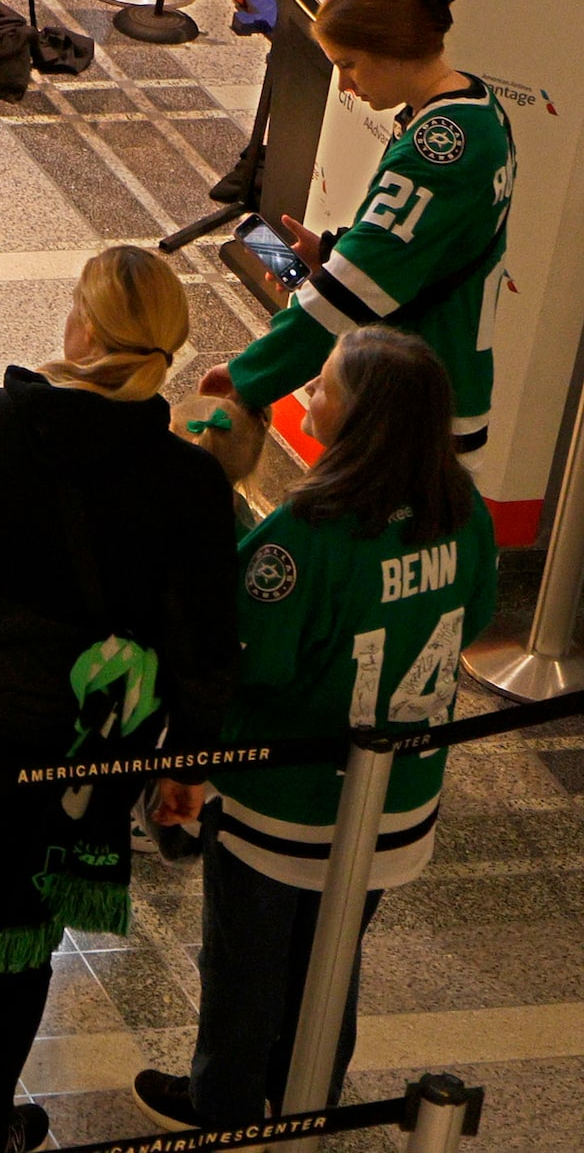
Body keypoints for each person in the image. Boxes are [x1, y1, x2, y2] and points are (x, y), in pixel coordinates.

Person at [0, 246, 243, 1153]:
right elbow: (202, 647)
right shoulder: (190, 481)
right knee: (24, 918)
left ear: (89, 332)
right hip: (84, 740)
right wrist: (186, 762)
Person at [134, 327, 498, 1130]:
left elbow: (251, 663)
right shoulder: (463, 511)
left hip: (282, 808)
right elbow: (476, 617)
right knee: (330, 962)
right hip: (394, 806)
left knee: (243, 971)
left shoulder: (308, 533)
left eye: (326, 385)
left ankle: (223, 1111)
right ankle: (305, 1102)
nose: (308, 393)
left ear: (361, 420)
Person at [204, 0, 512, 454]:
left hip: (414, 401)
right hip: (441, 373)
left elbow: (351, 295)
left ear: (393, 49)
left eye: (348, 64)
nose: (344, 85)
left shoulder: (441, 149)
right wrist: (333, 251)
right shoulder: (472, 108)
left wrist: (247, 378)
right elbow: (424, 242)